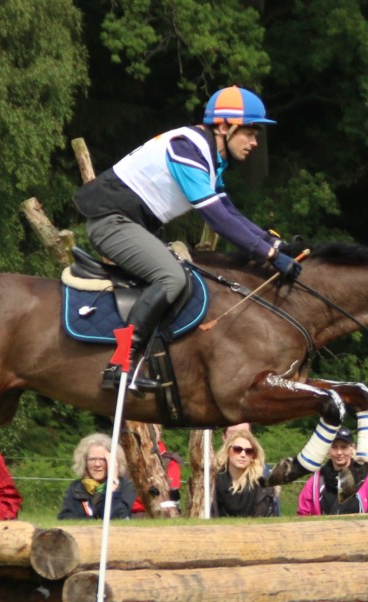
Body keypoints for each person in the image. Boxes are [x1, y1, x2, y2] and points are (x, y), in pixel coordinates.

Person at [74, 85, 302, 390]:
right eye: (250, 132)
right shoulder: (187, 148)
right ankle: (120, 363)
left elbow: (228, 210)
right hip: (111, 222)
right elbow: (217, 218)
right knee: (172, 278)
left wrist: (271, 242)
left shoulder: (210, 156)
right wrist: (269, 255)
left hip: (128, 223)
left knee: (188, 276)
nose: (255, 142)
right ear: (224, 126)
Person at [297, 427, 368, 515]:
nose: (339, 452)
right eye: (334, 447)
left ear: (352, 449)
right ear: (328, 450)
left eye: (344, 447)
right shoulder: (315, 482)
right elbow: (303, 513)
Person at [59, 433, 135, 520]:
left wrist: (113, 483)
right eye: (92, 459)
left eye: (103, 459)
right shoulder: (76, 487)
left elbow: (116, 517)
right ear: (85, 462)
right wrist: (94, 521)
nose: (97, 464)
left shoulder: (125, 487)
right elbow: (66, 519)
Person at [211, 427, 277, 518]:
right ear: (228, 450)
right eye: (237, 449)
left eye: (248, 451)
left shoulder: (263, 486)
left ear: (253, 456)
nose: (243, 455)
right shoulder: (212, 481)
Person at [130, 424, 183, 518]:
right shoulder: (128, 459)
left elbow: (168, 494)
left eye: (153, 432)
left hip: (161, 514)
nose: (149, 435)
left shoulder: (169, 462)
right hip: (132, 514)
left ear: (159, 434)